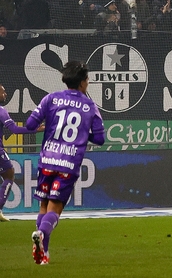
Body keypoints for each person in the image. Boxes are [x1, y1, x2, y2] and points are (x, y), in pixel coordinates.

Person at [24, 63, 105, 264]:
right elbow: (100, 138)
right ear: (82, 83)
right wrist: (83, 134)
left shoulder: (50, 98)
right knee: (55, 209)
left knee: (44, 205)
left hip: (47, 160)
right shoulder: (90, 106)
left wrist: (48, 126)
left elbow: (30, 125)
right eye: (87, 80)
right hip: (69, 163)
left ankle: (44, 254)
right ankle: (41, 235)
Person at [1, 83, 42, 222]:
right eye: (3, 91)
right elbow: (15, 130)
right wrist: (36, 129)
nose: (5, 94)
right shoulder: (1, 110)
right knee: (9, 174)